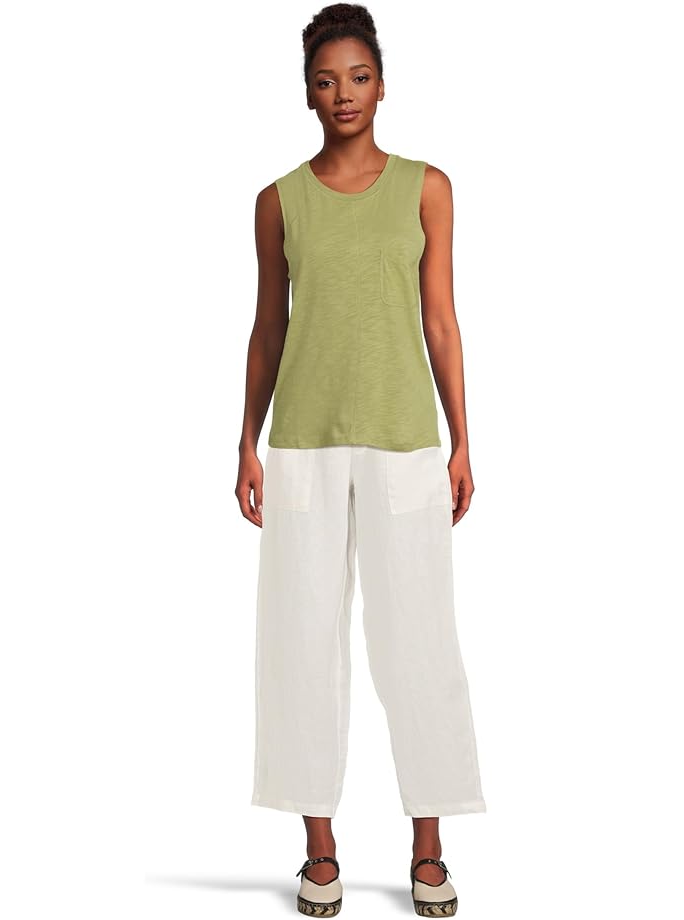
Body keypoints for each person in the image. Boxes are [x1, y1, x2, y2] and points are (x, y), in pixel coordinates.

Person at [236, 4, 487, 915]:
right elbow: (269, 328)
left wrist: (463, 439)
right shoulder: (278, 201)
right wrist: (245, 440)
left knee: (419, 641)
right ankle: (320, 849)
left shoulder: (427, 188)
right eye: (325, 80)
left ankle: (428, 845)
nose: (343, 93)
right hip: (303, 444)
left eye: (358, 76)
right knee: (302, 643)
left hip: (405, 442)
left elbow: (441, 322)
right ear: (306, 94)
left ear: (382, 84)